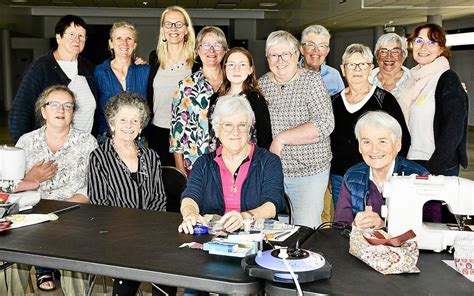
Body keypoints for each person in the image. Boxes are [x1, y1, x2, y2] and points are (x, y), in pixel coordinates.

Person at [12, 85, 97, 293]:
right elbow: (7, 185)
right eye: (54, 105)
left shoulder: (87, 143)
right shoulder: (26, 141)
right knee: (10, 245)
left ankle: (57, 273)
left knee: (73, 240)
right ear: (43, 111)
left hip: (72, 211)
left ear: (73, 113)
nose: (61, 110)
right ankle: (40, 269)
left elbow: (95, 185)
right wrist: (30, 180)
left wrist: (69, 204)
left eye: (68, 106)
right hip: (31, 213)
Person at [88, 92, 167, 295]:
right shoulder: (99, 157)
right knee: (129, 270)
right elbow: (99, 203)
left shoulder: (151, 156)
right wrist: (131, 232)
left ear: (140, 127)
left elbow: (159, 198)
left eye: (135, 120)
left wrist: (149, 229)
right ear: (112, 123)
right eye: (123, 119)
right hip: (116, 234)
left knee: (168, 276)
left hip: (151, 233)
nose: (129, 125)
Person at [258, 30, 334, 228]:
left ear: (297, 55)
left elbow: (325, 123)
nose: (279, 60)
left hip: (309, 173)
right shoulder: (262, 85)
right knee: (273, 229)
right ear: (267, 58)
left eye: (285, 54)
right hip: (273, 173)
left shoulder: (311, 81)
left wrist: (282, 138)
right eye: (274, 55)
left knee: (305, 229)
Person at [178, 96, 284, 234]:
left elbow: (272, 204)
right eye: (228, 125)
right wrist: (190, 214)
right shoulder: (203, 163)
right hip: (211, 242)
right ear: (216, 129)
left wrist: (244, 217)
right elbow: (190, 197)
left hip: (256, 239)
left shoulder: (269, 161)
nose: (235, 132)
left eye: (242, 125)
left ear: (250, 129)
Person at [330, 43, 410, 207]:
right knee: (345, 226)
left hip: (375, 177)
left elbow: (403, 140)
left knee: (376, 226)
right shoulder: (333, 102)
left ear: (370, 68)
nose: (357, 69)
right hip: (340, 178)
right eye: (351, 65)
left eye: (362, 64)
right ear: (343, 70)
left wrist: (391, 174)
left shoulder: (385, 100)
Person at [334, 111, 434, 228]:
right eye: (366, 142)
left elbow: (431, 227)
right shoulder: (352, 176)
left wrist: (384, 227)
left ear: (397, 145)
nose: (374, 150)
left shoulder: (418, 176)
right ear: (359, 147)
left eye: (382, 141)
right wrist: (355, 224)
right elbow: (339, 226)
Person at [9, 15, 97, 142]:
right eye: (71, 34)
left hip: (83, 149)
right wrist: (24, 150)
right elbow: (20, 113)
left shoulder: (87, 67)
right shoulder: (41, 68)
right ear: (58, 37)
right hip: (49, 150)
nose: (77, 40)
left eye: (81, 36)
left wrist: (135, 64)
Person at [399, 23, 468, 177]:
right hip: (411, 160)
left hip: (436, 166)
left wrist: (433, 169)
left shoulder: (447, 79)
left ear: (441, 49)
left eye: (431, 42)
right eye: (419, 41)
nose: (423, 47)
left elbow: (453, 131)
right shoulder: (412, 79)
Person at [170, 26, 229, 174]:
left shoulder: (234, 83)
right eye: (206, 45)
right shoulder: (186, 86)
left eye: (217, 45)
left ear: (225, 51)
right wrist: (180, 169)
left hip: (231, 165)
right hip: (196, 166)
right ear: (197, 50)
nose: (211, 51)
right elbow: (176, 133)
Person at [147, 6, 197, 166]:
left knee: (188, 185)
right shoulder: (154, 57)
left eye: (178, 24)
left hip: (189, 134)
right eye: (168, 24)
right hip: (158, 132)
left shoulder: (197, 61)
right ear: (162, 29)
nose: (173, 28)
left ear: (187, 30)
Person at [94, 21, 150, 144]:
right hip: (106, 140)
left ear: (134, 45)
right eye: (118, 38)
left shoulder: (146, 71)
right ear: (111, 43)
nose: (124, 43)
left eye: (129, 38)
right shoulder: (98, 73)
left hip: (138, 141)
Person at [208, 47, 272, 150]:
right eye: (231, 64)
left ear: (250, 69)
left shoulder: (256, 99)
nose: (236, 69)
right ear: (225, 68)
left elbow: (265, 139)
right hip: (220, 161)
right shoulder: (215, 99)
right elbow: (212, 137)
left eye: (242, 65)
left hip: (250, 161)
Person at [299, 24, 345, 96]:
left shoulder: (334, 75)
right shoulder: (289, 73)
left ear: (327, 51)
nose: (316, 50)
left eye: (322, 46)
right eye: (311, 45)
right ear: (302, 49)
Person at [369, 33, 410, 101]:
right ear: (377, 56)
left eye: (395, 51)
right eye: (383, 51)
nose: (389, 56)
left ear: (403, 56)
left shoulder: (413, 81)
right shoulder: (367, 80)